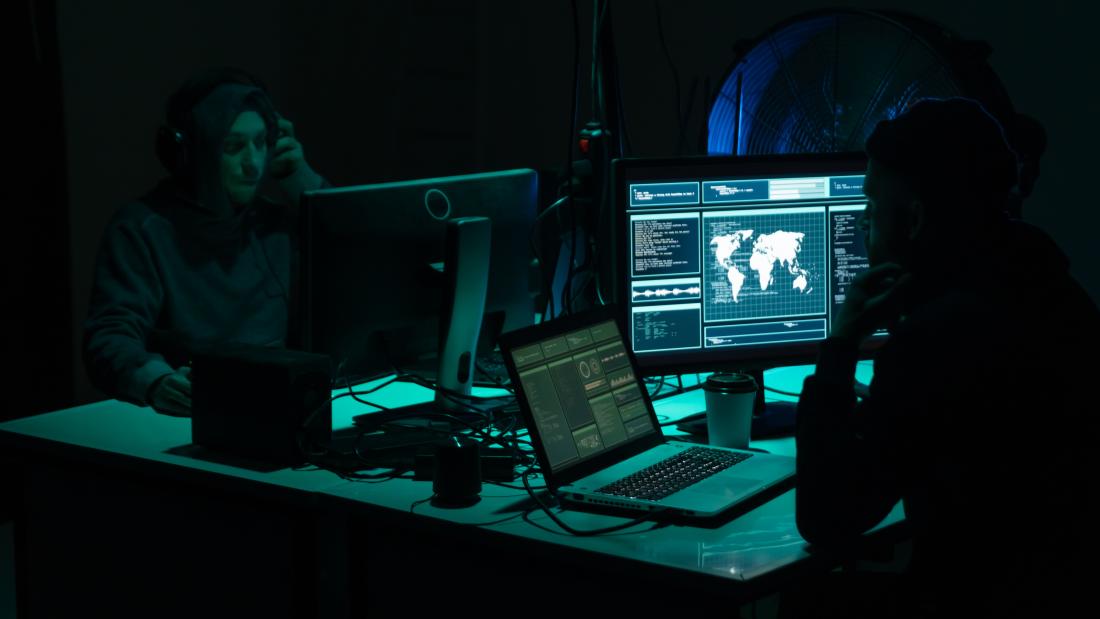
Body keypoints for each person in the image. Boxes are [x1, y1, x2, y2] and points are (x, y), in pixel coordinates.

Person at [789, 98, 1099, 617]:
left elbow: (827, 517)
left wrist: (841, 345)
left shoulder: (935, 342)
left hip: (977, 598)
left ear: (913, 219)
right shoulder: (1052, 287)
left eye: (871, 205)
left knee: (807, 599)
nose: (864, 221)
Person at [83, 67, 329, 416]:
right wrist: (154, 380)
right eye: (233, 147)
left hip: (276, 406)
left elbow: (357, 255)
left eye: (262, 143)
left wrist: (299, 178)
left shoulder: (275, 224)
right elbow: (108, 335)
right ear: (190, 151)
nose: (253, 164)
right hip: (188, 416)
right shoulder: (143, 228)